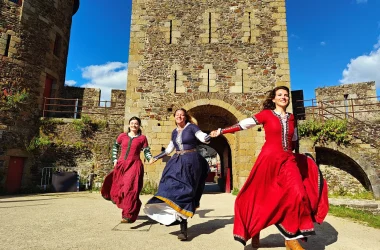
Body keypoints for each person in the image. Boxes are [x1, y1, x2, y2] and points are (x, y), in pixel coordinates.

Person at [210, 86, 328, 250]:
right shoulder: (266, 115)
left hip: (288, 161)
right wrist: (222, 131)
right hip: (269, 160)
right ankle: (256, 230)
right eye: (280, 95)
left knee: (298, 194)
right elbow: (244, 124)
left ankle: (291, 237)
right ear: (273, 99)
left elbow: (293, 141)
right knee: (259, 196)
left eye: (286, 95)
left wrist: (299, 158)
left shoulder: (292, 118)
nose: (284, 97)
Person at [144, 108, 210, 241]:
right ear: (174, 117)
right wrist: (155, 158)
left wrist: (208, 137)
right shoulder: (174, 132)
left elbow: (202, 136)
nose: (179, 116)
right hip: (177, 161)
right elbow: (169, 149)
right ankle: (171, 216)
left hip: (191, 162)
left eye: (182, 115)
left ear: (185, 117)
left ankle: (183, 230)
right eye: (177, 115)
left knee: (185, 192)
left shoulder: (191, 127)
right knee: (168, 184)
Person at [101, 116, 153, 223]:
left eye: (136, 124)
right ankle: (132, 207)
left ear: (139, 126)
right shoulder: (122, 136)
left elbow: (146, 150)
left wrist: (150, 158)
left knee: (130, 188)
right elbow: (115, 146)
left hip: (134, 165)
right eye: (132, 123)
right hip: (121, 165)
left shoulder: (142, 138)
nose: (134, 125)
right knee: (119, 187)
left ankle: (127, 215)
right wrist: (115, 159)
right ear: (129, 125)